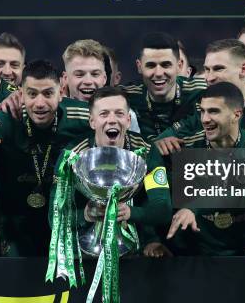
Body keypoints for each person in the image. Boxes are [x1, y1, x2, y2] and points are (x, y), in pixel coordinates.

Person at [0, 60, 90, 256]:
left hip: (64, 219)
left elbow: (117, 121)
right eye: (32, 94)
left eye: (48, 93)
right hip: (17, 221)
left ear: (61, 92)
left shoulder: (83, 116)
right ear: (21, 94)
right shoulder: (9, 116)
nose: (40, 103)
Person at [53, 86, 172, 256]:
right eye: (104, 114)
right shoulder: (71, 156)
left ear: (129, 120)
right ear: (92, 121)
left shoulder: (146, 151)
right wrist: (85, 215)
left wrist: (130, 212)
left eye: (119, 113)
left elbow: (163, 208)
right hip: (83, 250)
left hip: (134, 247)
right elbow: (54, 214)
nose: (112, 120)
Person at [166, 82, 245, 256]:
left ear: (236, 115)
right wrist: (153, 239)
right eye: (202, 111)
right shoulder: (187, 148)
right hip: (198, 252)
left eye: (214, 111)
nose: (205, 119)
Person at [155, 39, 245, 155]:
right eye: (207, 70)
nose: (210, 77)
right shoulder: (199, 106)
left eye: (218, 69)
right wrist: (161, 144)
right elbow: (157, 144)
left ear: (243, 69)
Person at [122, 32, 206, 141]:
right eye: (151, 65)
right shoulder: (126, 95)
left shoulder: (202, 91)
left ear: (179, 66)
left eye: (166, 65)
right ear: (139, 67)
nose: (158, 73)